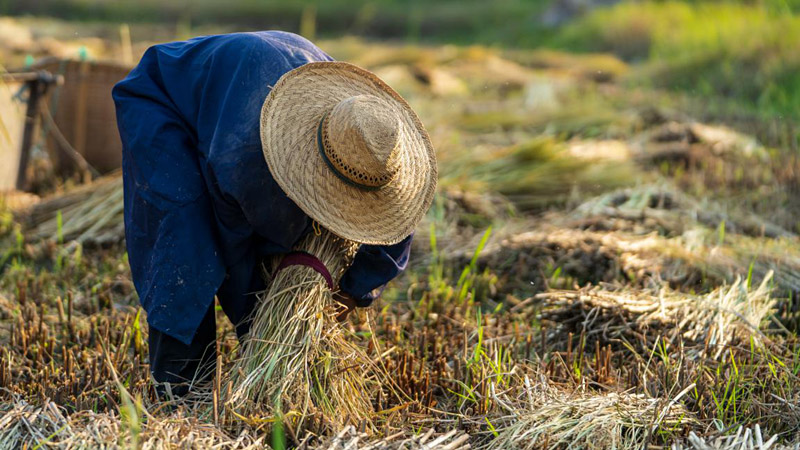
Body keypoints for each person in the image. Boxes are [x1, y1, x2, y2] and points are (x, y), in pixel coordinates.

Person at [112, 31, 437, 395]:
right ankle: (182, 390)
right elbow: (235, 246)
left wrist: (351, 291)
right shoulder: (250, 156)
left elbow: (393, 241)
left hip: (254, 78)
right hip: (165, 100)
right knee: (185, 243)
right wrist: (263, 329)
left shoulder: (378, 144)